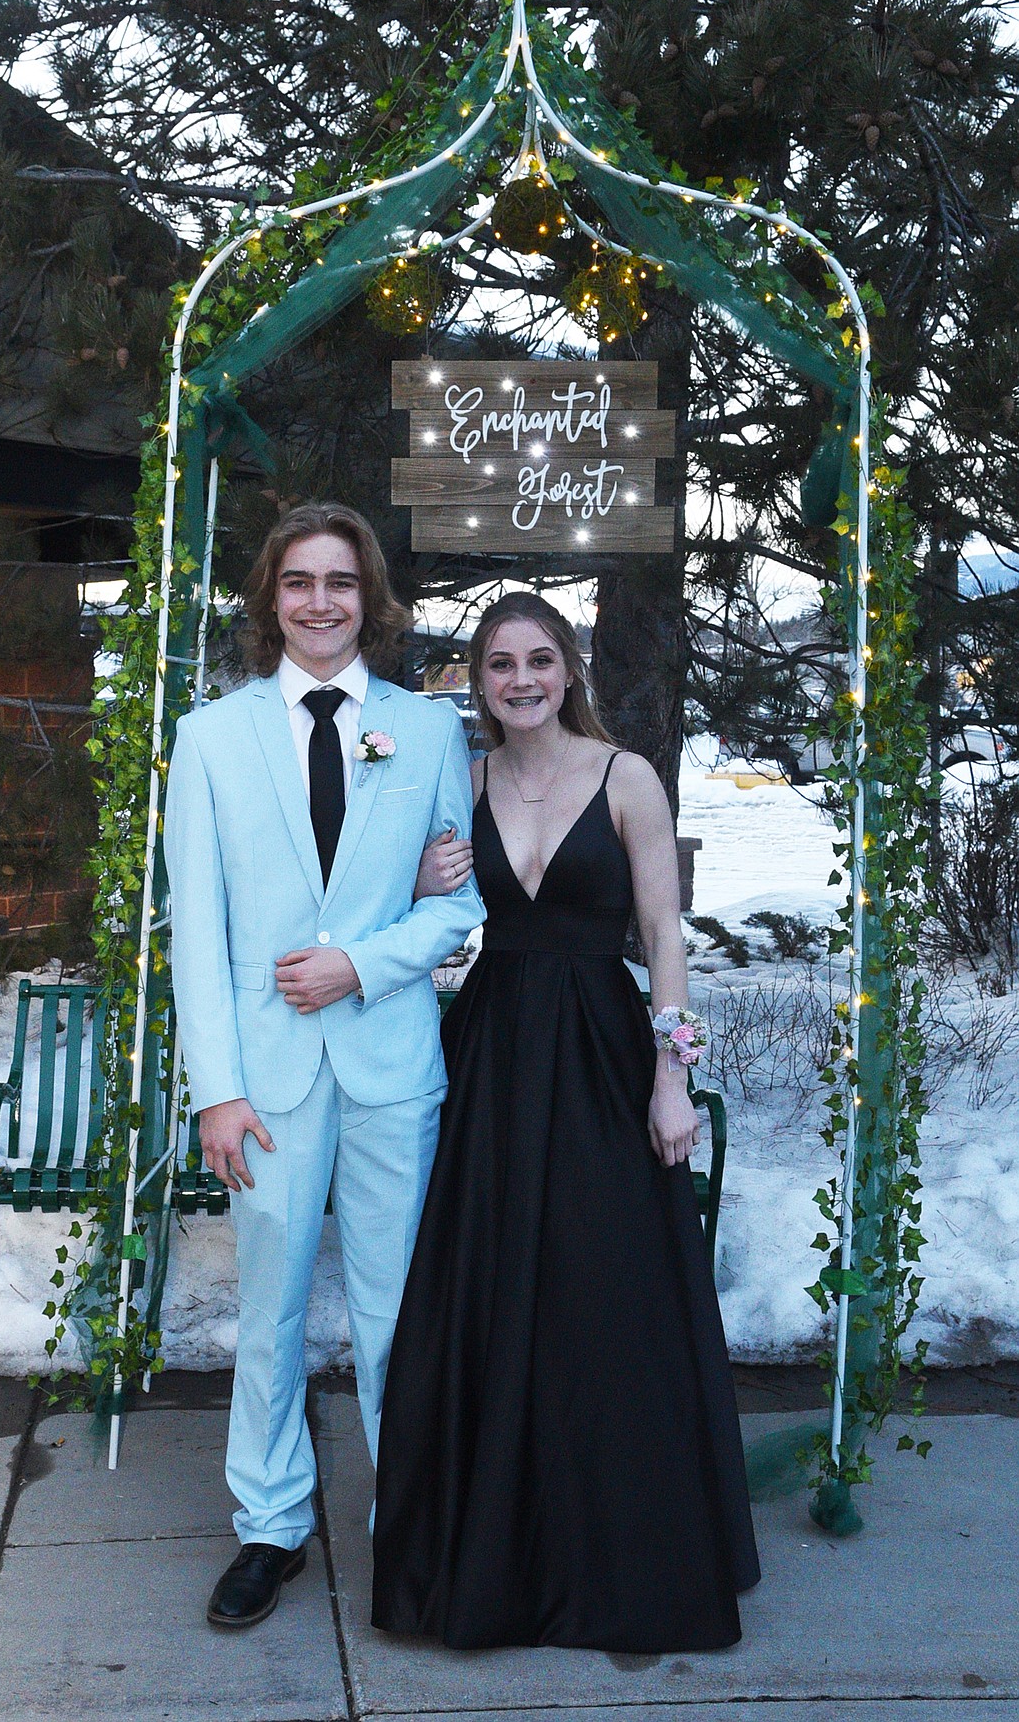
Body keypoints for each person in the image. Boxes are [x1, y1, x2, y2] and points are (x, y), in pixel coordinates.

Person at [372, 590, 760, 1652]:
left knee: (609, 1293)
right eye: (500, 664)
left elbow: (664, 940)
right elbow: (428, 921)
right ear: (480, 680)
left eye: (540, 659)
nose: (522, 680)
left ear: (570, 669)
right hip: (493, 1053)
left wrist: (670, 1079)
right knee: (491, 1295)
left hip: (600, 1049)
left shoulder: (626, 777)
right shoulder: (467, 781)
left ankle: (623, 1553)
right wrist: (417, 877)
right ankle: (499, 1554)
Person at [163, 502, 484, 1630]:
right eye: (298, 582)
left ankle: (413, 1520)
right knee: (275, 1308)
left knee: (403, 1307)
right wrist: (217, 1088)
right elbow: (195, 928)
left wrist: (360, 962)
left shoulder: (430, 732)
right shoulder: (209, 739)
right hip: (267, 1082)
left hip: (394, 1065)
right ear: (271, 600)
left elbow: (460, 905)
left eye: (340, 582)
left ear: (372, 598)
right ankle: (270, 1526)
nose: (319, 602)